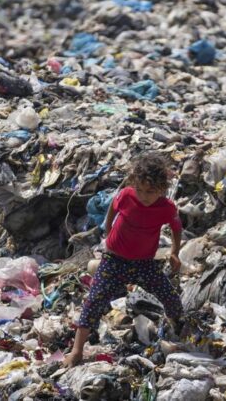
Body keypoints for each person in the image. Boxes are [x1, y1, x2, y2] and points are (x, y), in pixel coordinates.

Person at [63, 153, 183, 367]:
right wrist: (107, 232)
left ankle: (177, 328)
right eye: (141, 190)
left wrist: (174, 252)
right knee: (94, 301)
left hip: (144, 263)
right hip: (114, 260)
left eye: (150, 192)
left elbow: (176, 228)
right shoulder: (126, 195)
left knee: (170, 297)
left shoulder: (167, 208)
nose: (144, 196)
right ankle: (77, 350)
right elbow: (112, 208)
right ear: (133, 184)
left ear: (162, 189)